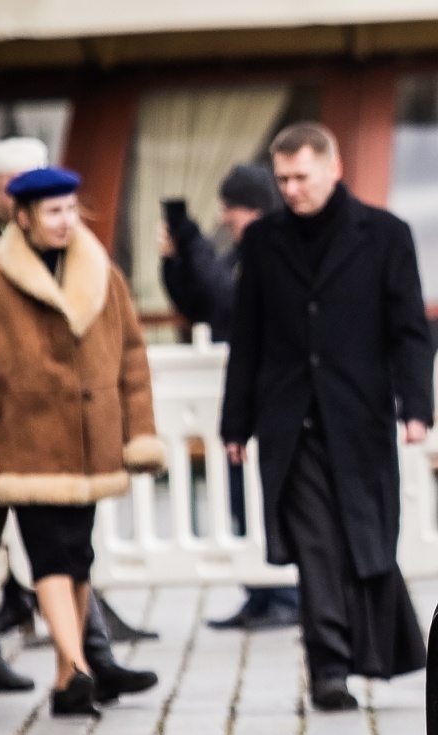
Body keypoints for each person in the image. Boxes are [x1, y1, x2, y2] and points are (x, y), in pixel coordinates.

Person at [220, 122, 433, 711]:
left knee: (365, 541)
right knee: (314, 546)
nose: (290, 188)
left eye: (300, 176)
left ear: (332, 168)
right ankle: (329, 666)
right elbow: (248, 338)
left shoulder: (386, 234)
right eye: (282, 178)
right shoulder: (263, 241)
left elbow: (409, 329)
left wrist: (416, 407)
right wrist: (235, 425)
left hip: (360, 418)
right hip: (288, 423)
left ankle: (369, 652)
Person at [0, 167, 165, 717]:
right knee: (49, 554)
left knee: (79, 555)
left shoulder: (104, 275)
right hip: (27, 443)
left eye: (71, 209)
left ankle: (69, 680)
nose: (66, 221)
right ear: (22, 217)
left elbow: (133, 359)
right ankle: (80, 666)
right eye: (53, 212)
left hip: (92, 445)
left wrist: (140, 434)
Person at [158, 162, 299, 632]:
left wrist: (192, 239)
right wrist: (175, 260)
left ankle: (282, 593)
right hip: (247, 398)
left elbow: (227, 299)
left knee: (267, 497)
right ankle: (259, 593)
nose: (225, 220)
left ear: (251, 210)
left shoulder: (273, 251)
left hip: (272, 399)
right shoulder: (244, 252)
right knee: (241, 499)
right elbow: (200, 301)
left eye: (231, 211)